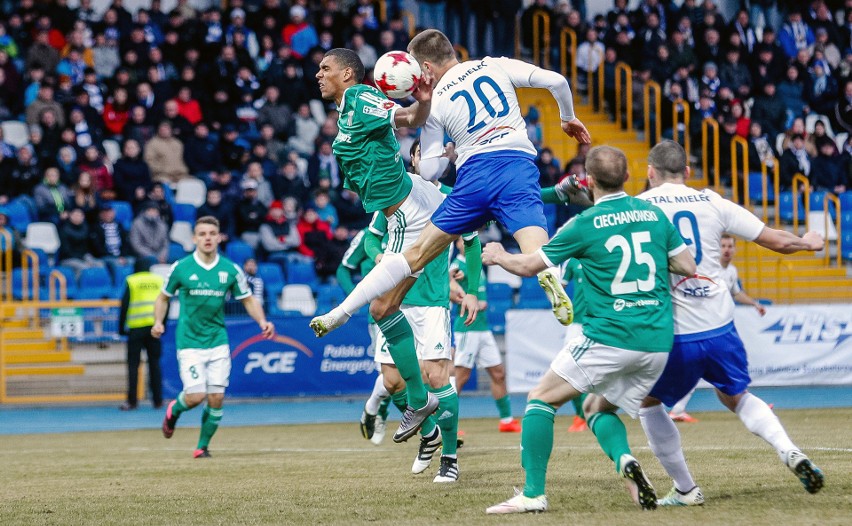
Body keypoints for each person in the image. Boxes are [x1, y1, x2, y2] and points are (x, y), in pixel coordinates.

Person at [311, 31, 591, 399]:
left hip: (473, 174)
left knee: (413, 256)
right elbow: (556, 80)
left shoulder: (437, 99)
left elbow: (426, 173)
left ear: (424, 68)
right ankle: (547, 272)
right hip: (517, 161)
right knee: (534, 244)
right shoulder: (493, 65)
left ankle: (345, 311)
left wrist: (445, 154)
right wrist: (567, 118)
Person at [483, 146, 697, 514]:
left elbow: (532, 265)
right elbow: (687, 265)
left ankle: (533, 494)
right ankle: (626, 463)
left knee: (540, 398)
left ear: (590, 180)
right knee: (597, 407)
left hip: (611, 336)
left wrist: (499, 256)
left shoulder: (585, 223)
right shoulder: (654, 214)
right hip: (657, 340)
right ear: (629, 177)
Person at [636, 140, 825, 507]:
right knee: (736, 396)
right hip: (721, 327)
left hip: (674, 332)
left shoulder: (639, 207)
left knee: (648, 403)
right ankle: (789, 450)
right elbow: (775, 240)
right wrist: (807, 242)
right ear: (688, 172)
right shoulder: (712, 202)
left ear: (649, 172)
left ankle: (686, 489)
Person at [309, 47, 440, 443]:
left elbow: (405, 118)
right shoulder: (345, 110)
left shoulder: (358, 96)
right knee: (387, 307)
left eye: (325, 68)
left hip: (406, 213)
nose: (318, 74)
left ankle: (419, 401)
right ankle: (426, 420)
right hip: (406, 204)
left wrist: (422, 99)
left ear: (348, 73)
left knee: (382, 307)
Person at [153, 216, 275, 458]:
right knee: (196, 396)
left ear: (219, 237)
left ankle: (202, 447)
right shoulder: (181, 268)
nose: (207, 238)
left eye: (212, 233)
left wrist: (262, 321)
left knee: (217, 397)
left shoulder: (230, 270)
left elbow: (248, 299)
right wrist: (158, 321)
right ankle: (174, 411)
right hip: (189, 342)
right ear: (194, 238)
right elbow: (163, 297)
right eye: (202, 234)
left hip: (218, 341)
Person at [668, 233, 769, 424]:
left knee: (723, 368)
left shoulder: (731, 271)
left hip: (720, 326)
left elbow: (736, 293)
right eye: (723, 246)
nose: (727, 250)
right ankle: (749, 404)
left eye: (730, 246)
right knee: (698, 370)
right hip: (698, 327)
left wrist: (754, 304)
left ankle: (748, 402)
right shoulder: (705, 267)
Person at [449, 236, 521, 434]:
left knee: (498, 372)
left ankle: (506, 420)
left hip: (483, 327)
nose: (468, 244)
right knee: (461, 377)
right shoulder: (458, 265)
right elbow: (449, 286)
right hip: (467, 328)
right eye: (463, 241)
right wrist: (462, 298)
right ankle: (446, 423)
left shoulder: (476, 264)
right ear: (457, 244)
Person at [117, 256, 164, 411]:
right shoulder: (158, 280)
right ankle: (158, 401)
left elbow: (125, 304)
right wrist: (161, 323)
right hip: (154, 328)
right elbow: (165, 302)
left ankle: (132, 401)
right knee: (155, 364)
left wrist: (120, 327)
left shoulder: (132, 280)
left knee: (133, 366)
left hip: (135, 328)